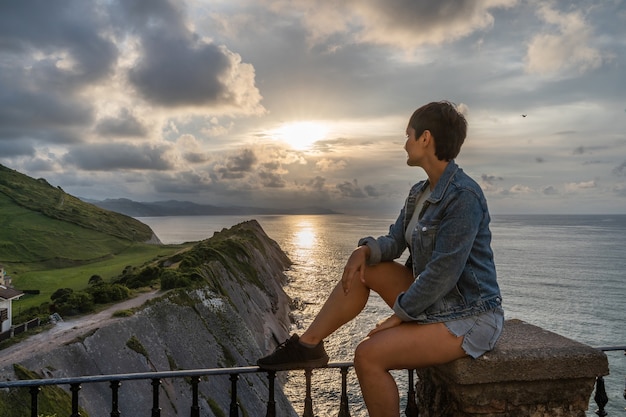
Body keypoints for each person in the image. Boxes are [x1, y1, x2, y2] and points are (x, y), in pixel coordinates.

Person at [257, 100, 504, 416]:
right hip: (437, 303)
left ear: (425, 138)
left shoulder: (463, 196)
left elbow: (444, 272)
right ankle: (308, 345)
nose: (405, 144)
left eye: (408, 136)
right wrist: (365, 250)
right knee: (367, 269)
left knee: (367, 355)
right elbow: (394, 242)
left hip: (469, 316)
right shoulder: (420, 192)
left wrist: (399, 314)